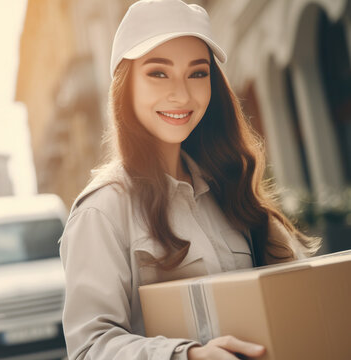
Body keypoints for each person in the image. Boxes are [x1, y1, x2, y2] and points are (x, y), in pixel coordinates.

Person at [58, 1, 321, 359]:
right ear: (126, 85)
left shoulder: (230, 184)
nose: (181, 94)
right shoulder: (101, 211)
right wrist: (189, 355)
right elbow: (88, 348)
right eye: (158, 73)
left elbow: (300, 288)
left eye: (198, 73)